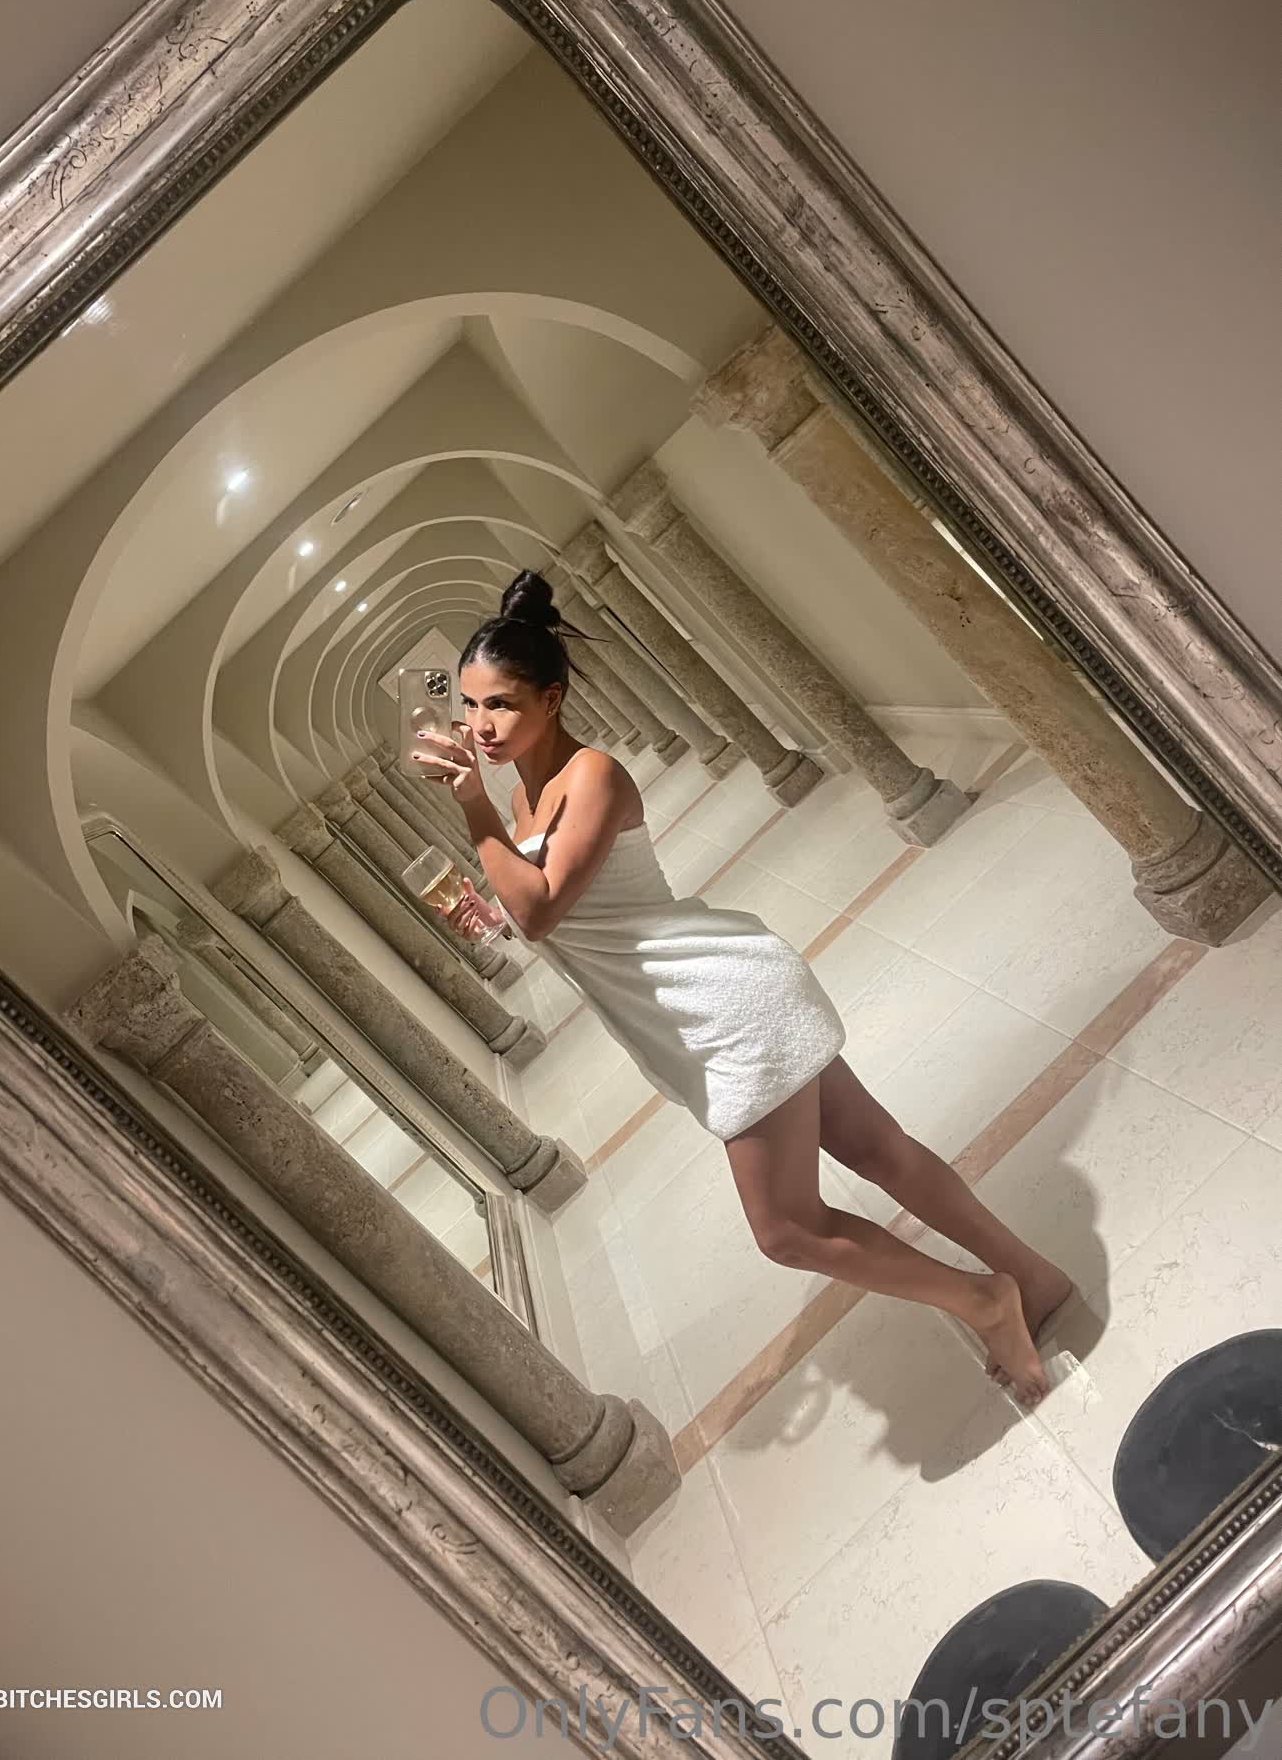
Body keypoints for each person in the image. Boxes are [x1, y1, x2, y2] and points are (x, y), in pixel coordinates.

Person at [412, 569, 1074, 1405]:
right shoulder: (524, 800)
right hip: (699, 1010)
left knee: (785, 1231)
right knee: (879, 1151)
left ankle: (983, 1301)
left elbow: (543, 910)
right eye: (470, 706)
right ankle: (1032, 1278)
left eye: (501, 704)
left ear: (552, 696)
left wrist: (472, 811)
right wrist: (492, 896)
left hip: (722, 1006)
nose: (480, 726)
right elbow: (557, 911)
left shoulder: (592, 775)